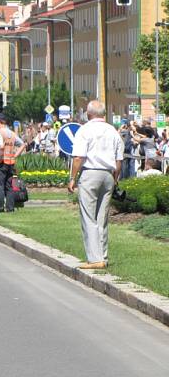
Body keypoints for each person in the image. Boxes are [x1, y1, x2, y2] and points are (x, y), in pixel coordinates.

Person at [68, 100, 123, 270]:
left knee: (88, 216)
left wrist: (72, 178)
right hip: (108, 174)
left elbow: (78, 157)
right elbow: (119, 159)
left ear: (88, 113)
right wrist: (115, 178)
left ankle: (94, 258)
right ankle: (103, 256)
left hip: (90, 172)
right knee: (102, 218)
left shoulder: (85, 130)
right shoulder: (112, 131)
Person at [0, 113, 26, 212]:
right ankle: (10, 208)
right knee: (9, 186)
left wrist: (0, 158)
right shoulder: (11, 133)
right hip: (11, 162)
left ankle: (0, 207)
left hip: (2, 162)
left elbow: (1, 147)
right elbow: (23, 144)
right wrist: (15, 155)